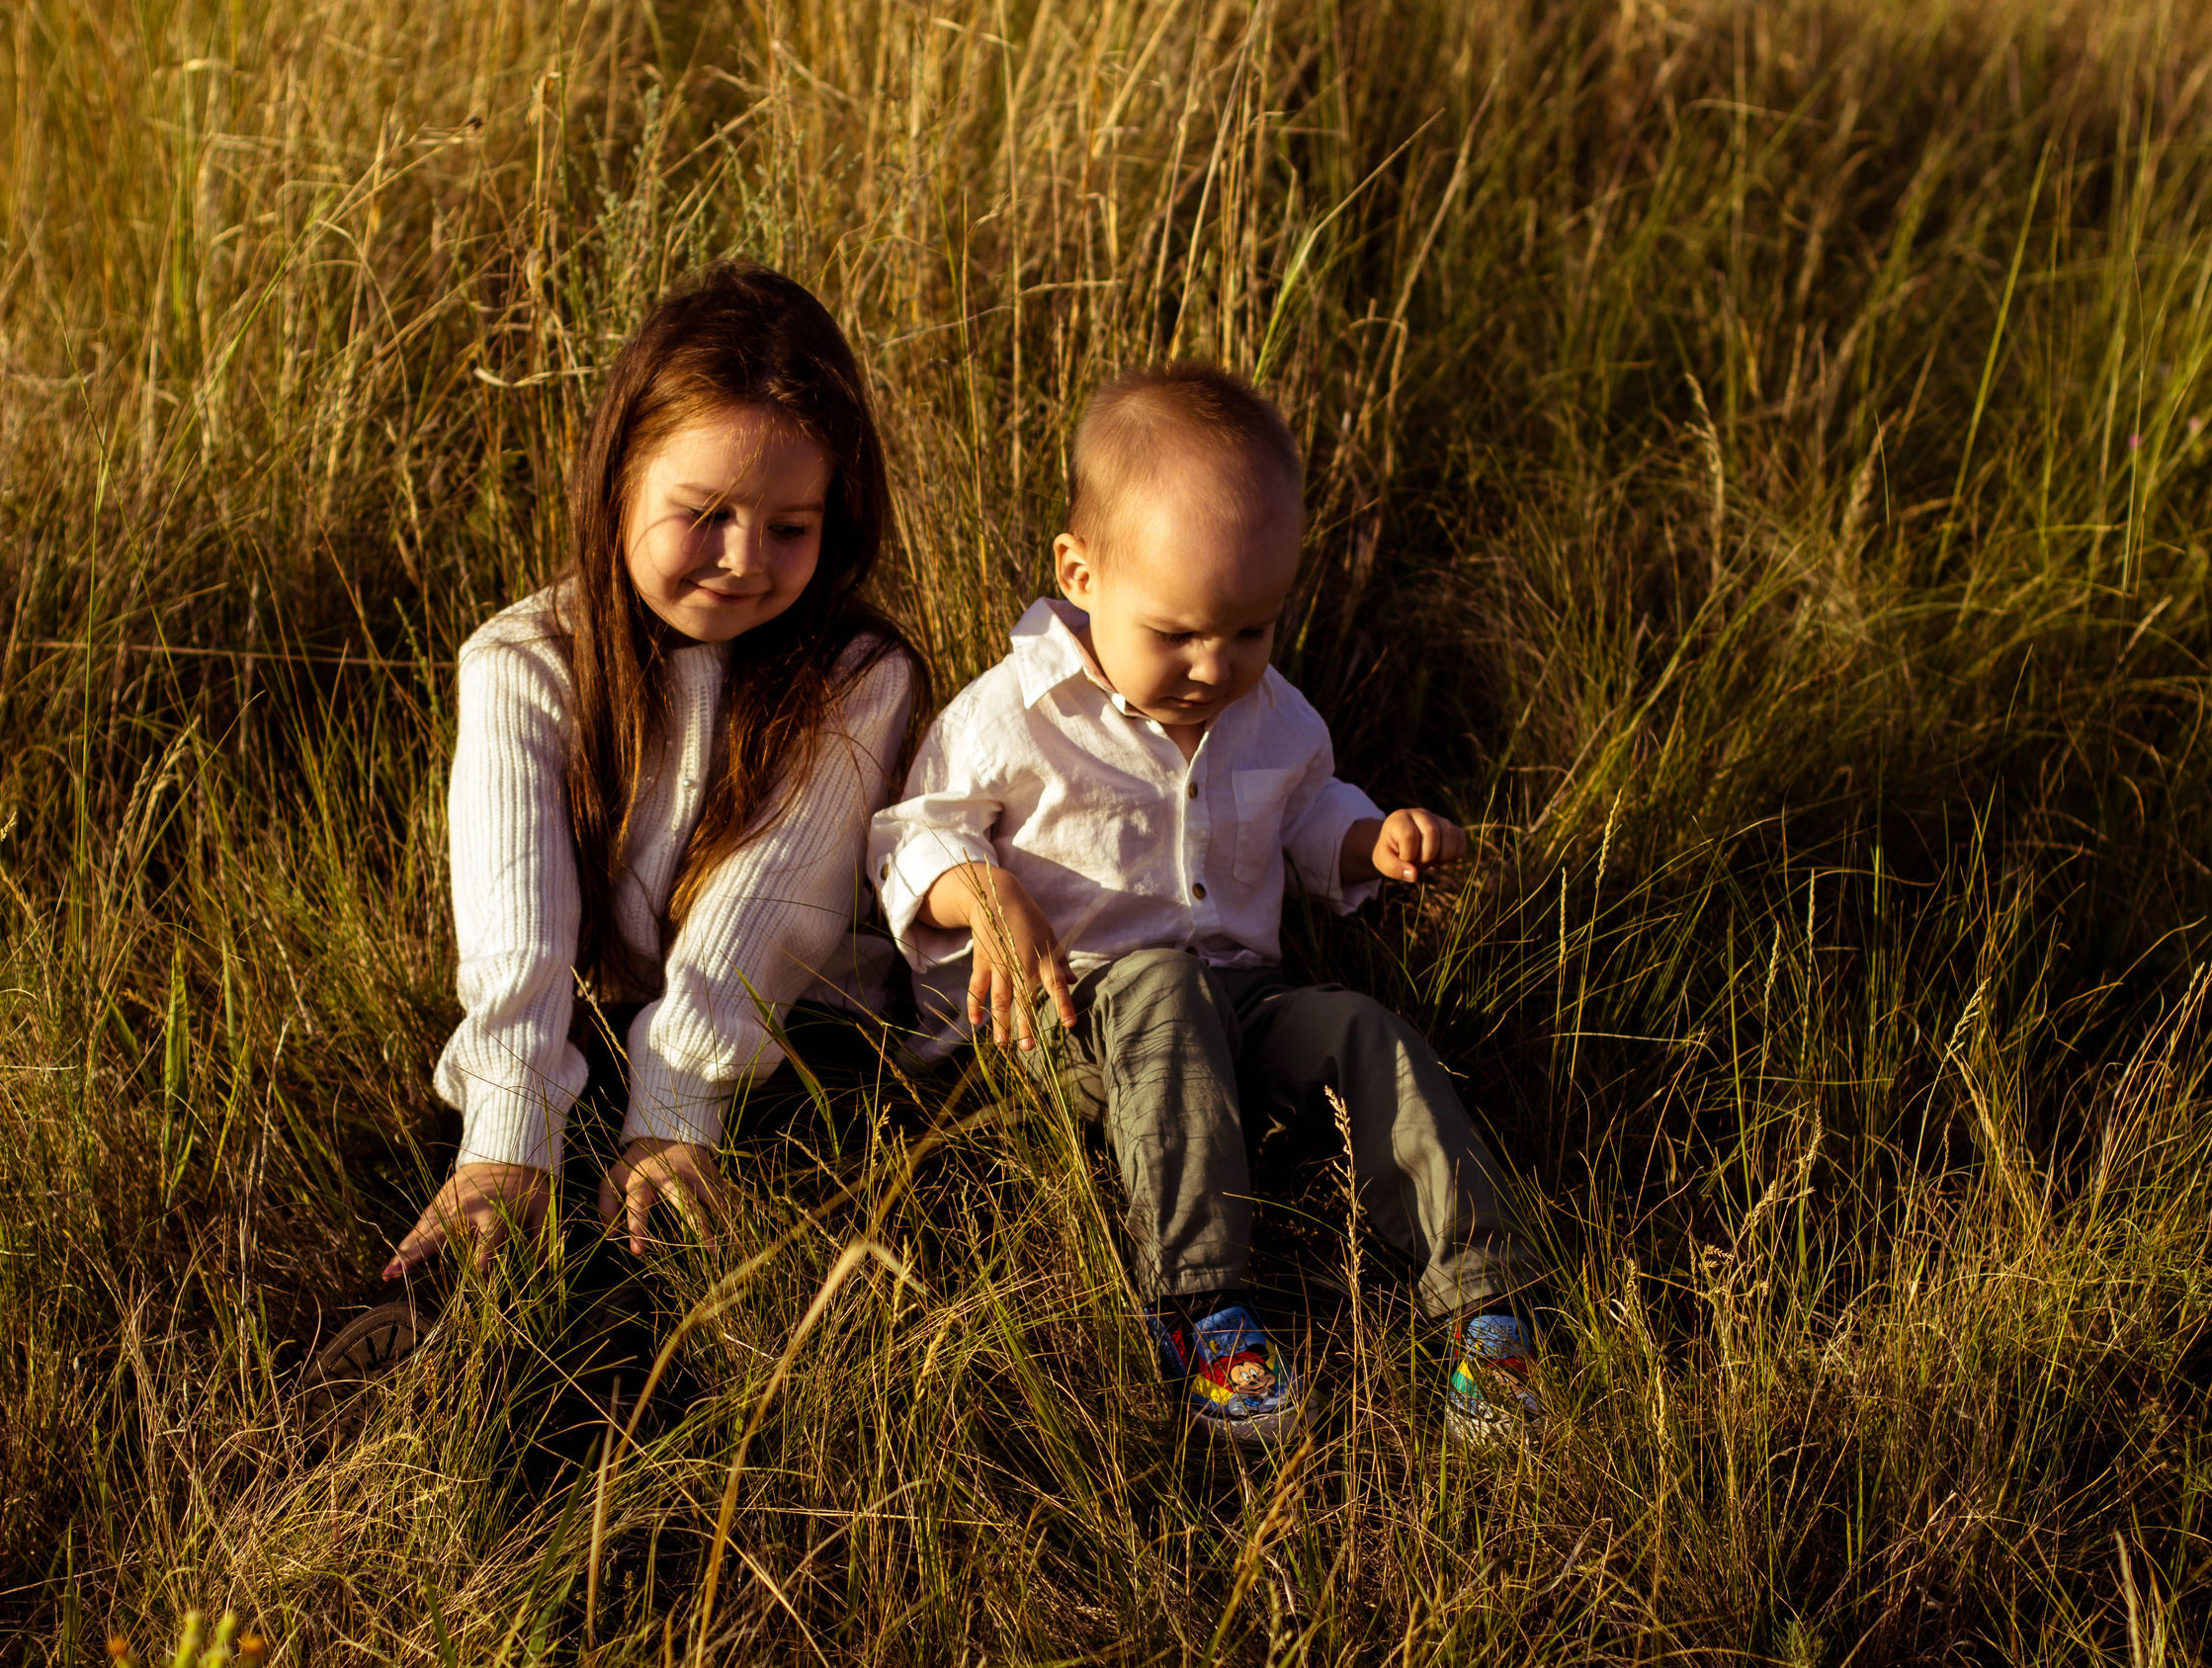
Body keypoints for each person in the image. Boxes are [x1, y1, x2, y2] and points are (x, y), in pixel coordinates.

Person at [867, 363, 1540, 1447]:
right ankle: (1199, 1307)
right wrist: (979, 888)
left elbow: (1308, 812)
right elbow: (911, 833)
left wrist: (1375, 840)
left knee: (1368, 1033)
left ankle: (1484, 1303)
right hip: (1070, 1027)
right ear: (1080, 574)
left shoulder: (1270, 716)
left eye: (1248, 632)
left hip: (1242, 1010)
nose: (1213, 666)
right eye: (1176, 633)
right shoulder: (1012, 715)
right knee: (1161, 987)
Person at [383, 261, 927, 1293]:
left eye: (789, 527)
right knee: (495, 1201)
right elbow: (519, 918)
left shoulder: (856, 676)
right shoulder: (525, 662)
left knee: (693, 1252)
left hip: (788, 1045)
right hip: (584, 1032)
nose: (742, 559)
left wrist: (677, 1113)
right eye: (705, 513)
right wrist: (509, 1126)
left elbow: (763, 907)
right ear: (619, 481)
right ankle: (438, 1345)